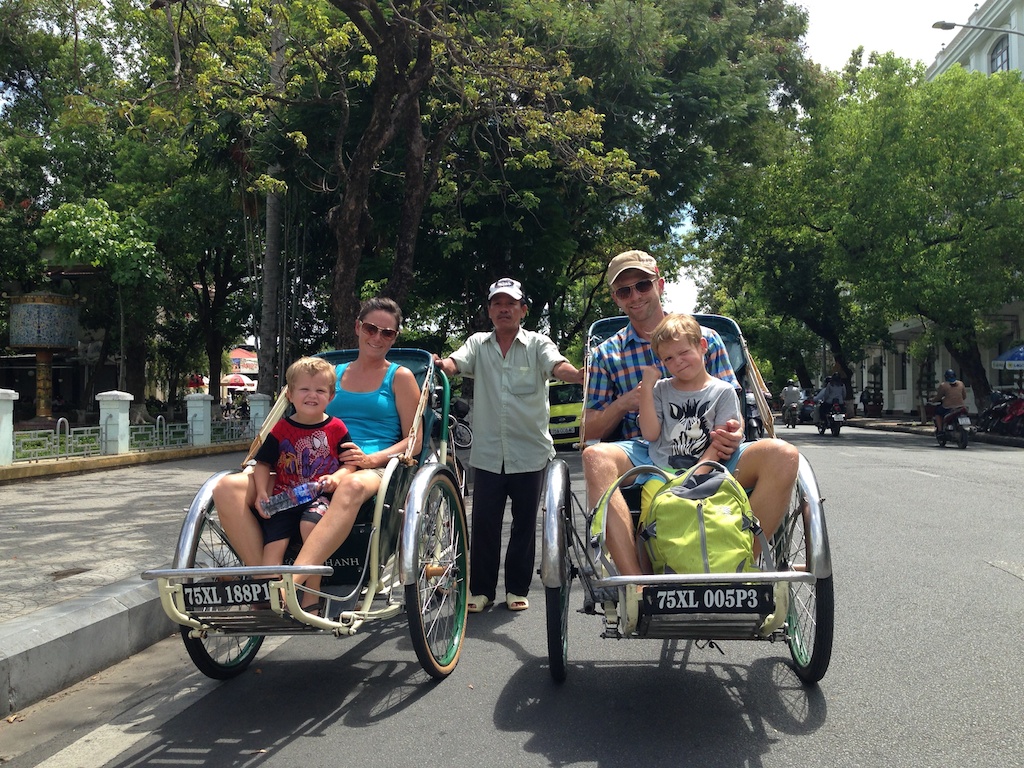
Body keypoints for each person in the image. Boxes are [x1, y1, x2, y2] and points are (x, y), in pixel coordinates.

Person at [582, 249, 799, 577]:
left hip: (712, 449)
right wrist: (628, 401)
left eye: (642, 285)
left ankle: (741, 566)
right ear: (616, 298)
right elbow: (588, 429)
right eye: (624, 291)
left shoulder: (706, 338)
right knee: (594, 457)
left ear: (659, 284)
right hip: (646, 452)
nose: (635, 296)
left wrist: (732, 432)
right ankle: (636, 584)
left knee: (784, 454)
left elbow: (729, 408)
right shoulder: (605, 354)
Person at [212, 297, 422, 611]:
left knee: (349, 485)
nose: (377, 337)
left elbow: (414, 440)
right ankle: (263, 584)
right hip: (306, 462)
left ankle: (290, 584)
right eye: (371, 328)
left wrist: (370, 459)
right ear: (358, 328)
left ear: (395, 337)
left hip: (370, 466)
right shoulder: (327, 375)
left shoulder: (399, 377)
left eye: (387, 333)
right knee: (226, 487)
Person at [434, 278, 583, 613]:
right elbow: (454, 364)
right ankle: (481, 590)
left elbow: (557, 366)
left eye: (511, 303)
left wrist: (577, 374)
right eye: (497, 303)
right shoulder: (478, 344)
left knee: (524, 523)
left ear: (523, 310)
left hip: (530, 452)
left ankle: (517, 588)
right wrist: (440, 364)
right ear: (489, 310)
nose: (504, 309)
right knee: (485, 523)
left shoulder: (537, 344)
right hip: (487, 453)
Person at [250, 357, 353, 572]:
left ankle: (311, 596)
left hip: (320, 497)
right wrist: (261, 492)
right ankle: (271, 595)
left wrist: (336, 478)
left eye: (320, 390)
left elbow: (349, 464)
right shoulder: (280, 430)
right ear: (290, 394)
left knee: (311, 526)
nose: (312, 395)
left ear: (331, 396)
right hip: (284, 499)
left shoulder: (336, 428)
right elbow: (262, 464)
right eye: (304, 389)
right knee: (272, 553)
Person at [638, 313, 741, 472]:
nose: (678, 361)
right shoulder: (660, 390)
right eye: (668, 358)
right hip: (662, 470)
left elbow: (719, 443)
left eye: (684, 352)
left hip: (707, 470)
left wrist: (695, 475)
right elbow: (650, 434)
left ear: (702, 346)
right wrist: (646, 389)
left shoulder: (723, 392)